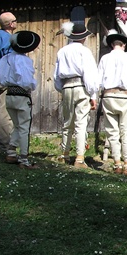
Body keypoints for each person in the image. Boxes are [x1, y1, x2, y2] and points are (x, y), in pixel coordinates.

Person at [53, 22, 99, 169]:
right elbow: (90, 73)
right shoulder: (85, 52)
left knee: (67, 122)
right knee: (81, 122)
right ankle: (79, 158)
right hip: (81, 86)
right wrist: (93, 94)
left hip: (67, 86)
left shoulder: (62, 51)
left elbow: (56, 76)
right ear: (84, 38)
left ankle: (65, 153)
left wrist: (62, 89)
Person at [98, 30, 127, 176]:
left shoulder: (104, 58)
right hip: (124, 96)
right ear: (123, 45)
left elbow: (99, 80)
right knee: (126, 131)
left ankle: (117, 163)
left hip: (108, 95)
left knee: (112, 131)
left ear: (111, 45)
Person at [0, 31, 40, 169]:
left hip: (9, 94)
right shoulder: (24, 60)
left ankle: (11, 152)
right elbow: (26, 80)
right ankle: (23, 159)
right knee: (24, 127)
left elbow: (1, 79)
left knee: (16, 125)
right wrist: (33, 85)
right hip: (22, 95)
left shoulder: (4, 59)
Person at [0, 12, 18, 153]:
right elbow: (9, 59)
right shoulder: (9, 38)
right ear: (10, 24)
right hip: (5, 76)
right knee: (5, 111)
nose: (16, 22)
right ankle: (4, 145)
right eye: (15, 20)